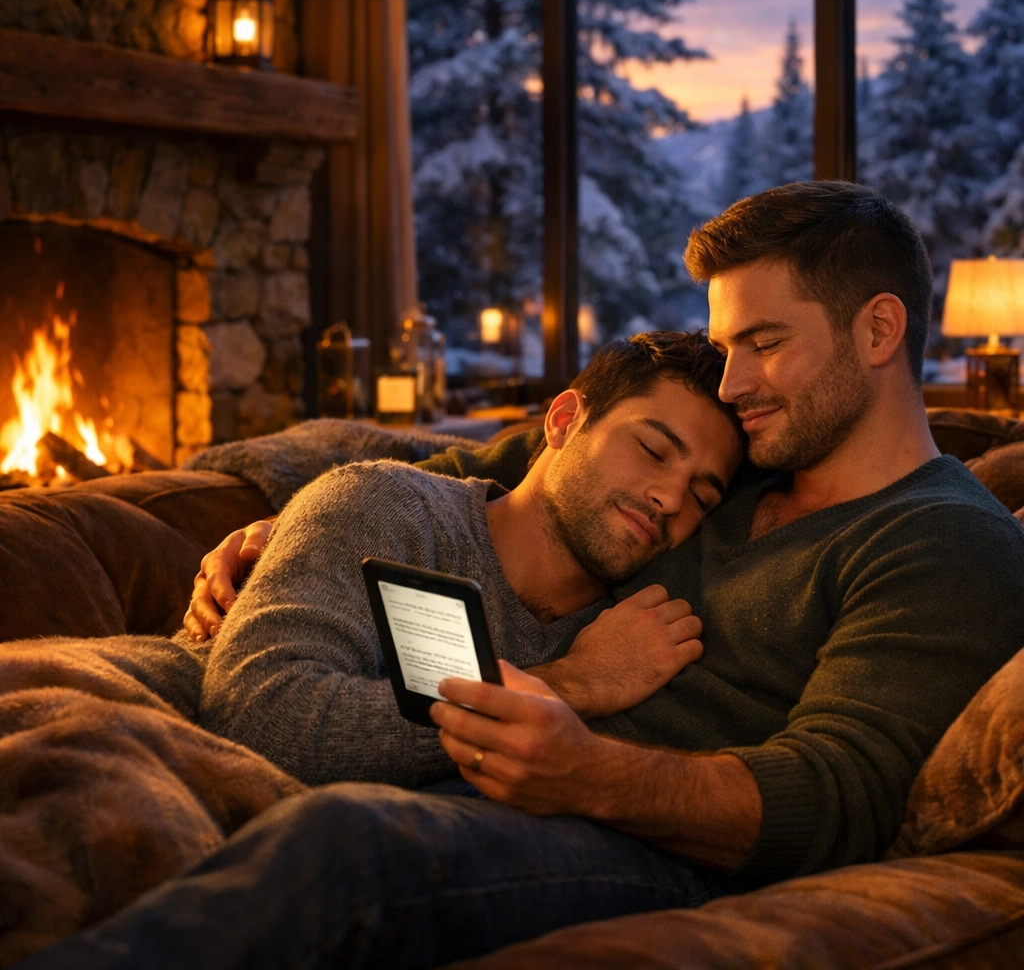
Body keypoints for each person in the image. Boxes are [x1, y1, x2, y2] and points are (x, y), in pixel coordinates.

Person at [21, 182, 1024, 970]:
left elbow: (835, 792)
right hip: (497, 764)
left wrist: (590, 767)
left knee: (348, 843)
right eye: (725, 347)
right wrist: (278, 517)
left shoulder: (942, 540)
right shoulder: (742, 460)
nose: (733, 383)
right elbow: (518, 470)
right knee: (70, 694)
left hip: (638, 846)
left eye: (763, 344)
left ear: (879, 331)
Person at [198, 331, 744, 786]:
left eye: (701, 496)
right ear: (562, 422)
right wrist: (570, 683)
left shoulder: (640, 640)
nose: (670, 499)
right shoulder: (388, 508)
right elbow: (259, 717)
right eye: (652, 449)